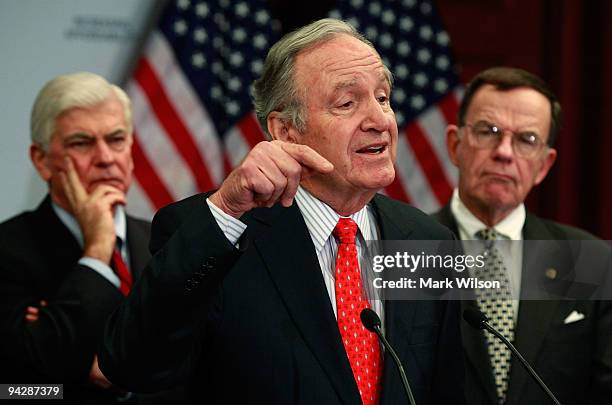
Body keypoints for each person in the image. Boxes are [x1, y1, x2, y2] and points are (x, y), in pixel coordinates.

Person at [99, 18, 466, 405]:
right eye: (347, 103)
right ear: (286, 131)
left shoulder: (429, 243)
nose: (379, 121)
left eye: (383, 98)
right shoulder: (217, 232)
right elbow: (132, 365)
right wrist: (226, 211)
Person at [0, 72, 184, 404]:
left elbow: (197, 367)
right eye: (81, 143)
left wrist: (124, 379)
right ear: (42, 160)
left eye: (116, 139)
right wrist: (97, 251)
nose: (105, 157)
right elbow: (12, 390)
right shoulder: (7, 250)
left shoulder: (167, 242)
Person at [433, 66, 612, 404]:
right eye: (488, 131)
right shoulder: (406, 248)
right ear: (455, 145)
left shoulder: (590, 261)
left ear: (544, 165)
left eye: (526, 140)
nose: (504, 152)